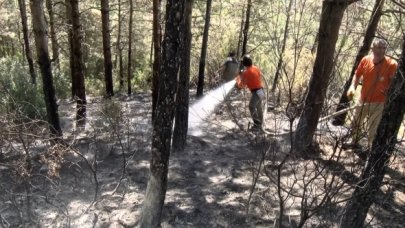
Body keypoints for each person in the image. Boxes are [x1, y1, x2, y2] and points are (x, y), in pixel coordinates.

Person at [346, 38, 398, 148]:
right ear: (372, 48)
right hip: (363, 99)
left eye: (383, 48)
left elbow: (394, 83)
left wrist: (389, 97)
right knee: (355, 123)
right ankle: (354, 142)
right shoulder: (366, 60)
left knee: (373, 129)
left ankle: (370, 150)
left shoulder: (391, 64)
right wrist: (352, 87)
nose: (381, 50)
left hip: (379, 102)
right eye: (378, 47)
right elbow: (357, 74)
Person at [235, 55, 265, 132]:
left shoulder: (246, 73)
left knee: (251, 107)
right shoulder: (255, 68)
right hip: (261, 90)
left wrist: (238, 78)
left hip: (256, 92)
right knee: (259, 108)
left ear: (244, 64)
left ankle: (257, 124)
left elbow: (241, 86)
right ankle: (261, 124)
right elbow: (257, 76)